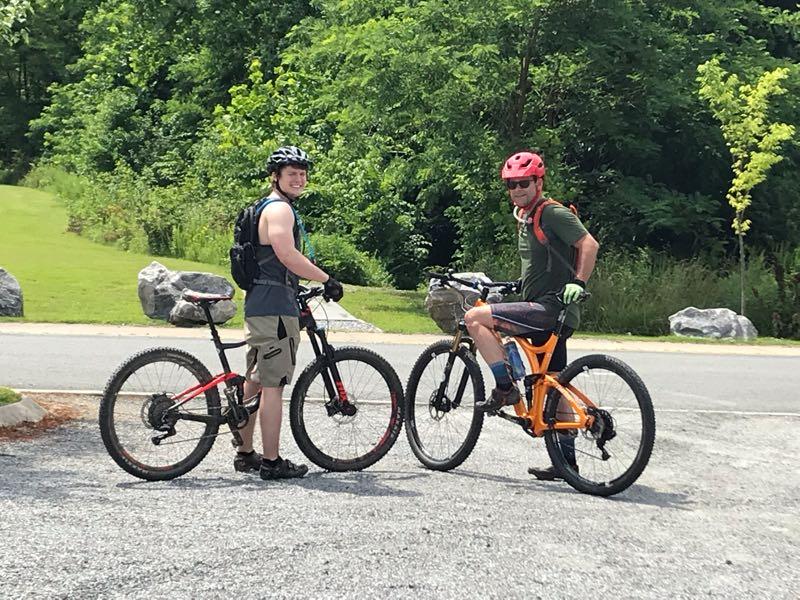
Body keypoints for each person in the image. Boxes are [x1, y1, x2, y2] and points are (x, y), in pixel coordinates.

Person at [464, 151, 599, 481]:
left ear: (539, 182)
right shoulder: (525, 217)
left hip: (550, 309)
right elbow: (541, 265)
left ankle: (505, 387)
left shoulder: (551, 213)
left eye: (523, 183)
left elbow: (589, 244)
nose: (517, 189)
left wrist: (578, 282)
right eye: (511, 184)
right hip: (548, 308)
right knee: (554, 386)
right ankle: (566, 463)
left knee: (475, 318)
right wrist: (515, 286)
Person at [233, 145, 344, 480]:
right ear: (276, 177)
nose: (299, 179)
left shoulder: (262, 207)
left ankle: (246, 454)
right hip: (275, 309)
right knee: (273, 386)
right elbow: (285, 253)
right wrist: (327, 279)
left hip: (259, 304)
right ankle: (271, 461)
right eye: (291, 173)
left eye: (302, 173)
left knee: (255, 382)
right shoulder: (279, 210)